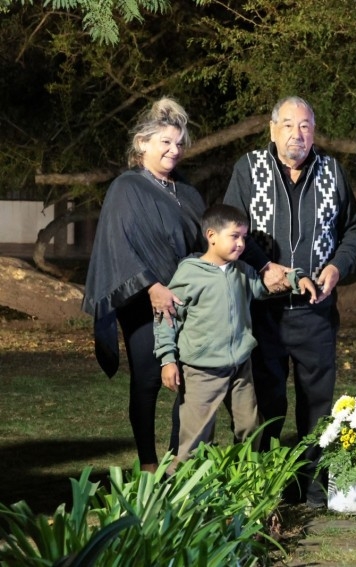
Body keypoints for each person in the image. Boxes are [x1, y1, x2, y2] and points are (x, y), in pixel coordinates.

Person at [223, 96, 356, 507]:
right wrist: (263, 265)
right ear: (272, 130)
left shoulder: (332, 171)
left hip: (315, 312)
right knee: (266, 403)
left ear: (313, 132)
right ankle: (266, 488)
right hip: (262, 311)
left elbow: (354, 229)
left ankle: (314, 489)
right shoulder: (249, 169)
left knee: (316, 406)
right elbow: (230, 228)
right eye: (288, 125)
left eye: (304, 126)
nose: (296, 134)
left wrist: (337, 266)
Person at [82, 97, 206, 473]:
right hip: (142, 298)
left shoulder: (187, 191)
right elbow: (117, 244)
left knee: (191, 378)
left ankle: (180, 459)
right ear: (143, 143)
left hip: (186, 299)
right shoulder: (126, 187)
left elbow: (204, 243)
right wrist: (152, 286)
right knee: (149, 380)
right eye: (165, 142)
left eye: (179, 143)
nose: (174, 150)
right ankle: (149, 464)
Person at [154, 204, 316, 474]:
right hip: (202, 371)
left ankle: (243, 484)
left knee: (251, 428)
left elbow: (267, 285)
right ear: (211, 235)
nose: (241, 243)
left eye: (244, 237)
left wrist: (296, 279)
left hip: (240, 367)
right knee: (195, 440)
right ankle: (179, 491)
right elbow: (167, 317)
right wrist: (167, 360)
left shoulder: (242, 270)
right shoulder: (189, 274)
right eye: (234, 236)